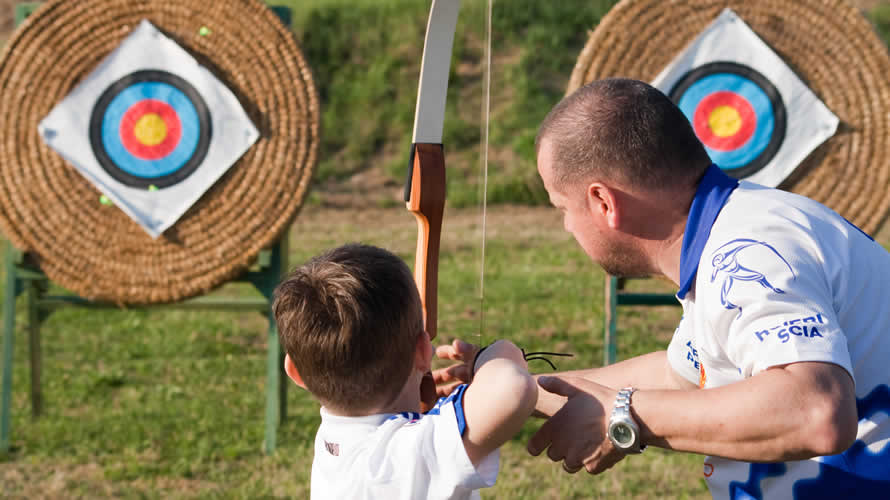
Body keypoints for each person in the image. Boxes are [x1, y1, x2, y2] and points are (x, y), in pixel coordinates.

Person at [440, 77, 890, 498]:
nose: (565, 227)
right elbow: (683, 376)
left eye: (563, 207)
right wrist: (505, 390)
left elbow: (817, 413)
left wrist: (625, 414)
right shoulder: (732, 231)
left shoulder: (747, 249)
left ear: (602, 202)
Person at [273, 243, 537, 500]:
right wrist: (489, 357)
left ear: (294, 372)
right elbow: (512, 389)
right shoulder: (404, 455)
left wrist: (431, 412)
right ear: (423, 351)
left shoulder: (334, 441)